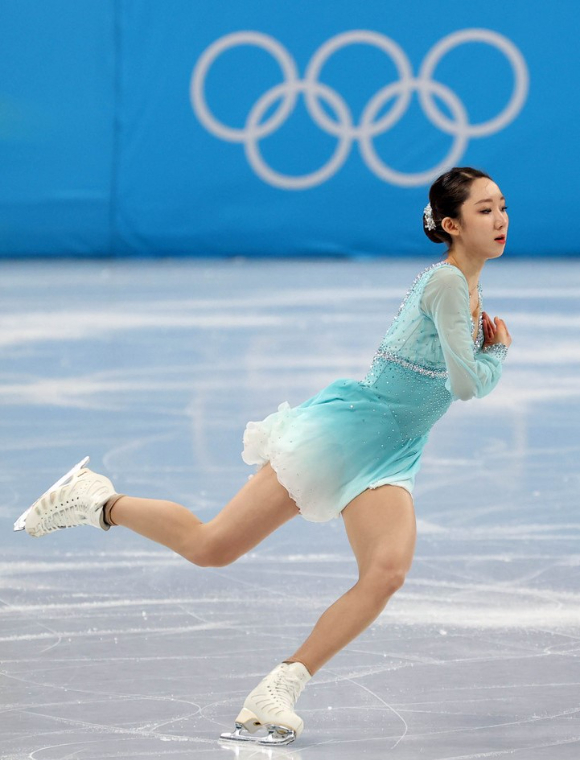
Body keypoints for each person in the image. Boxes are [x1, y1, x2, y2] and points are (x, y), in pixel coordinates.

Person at [14, 166, 511, 747]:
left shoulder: (468, 286)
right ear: (452, 224)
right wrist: (497, 354)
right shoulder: (448, 284)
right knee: (211, 547)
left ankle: (276, 691)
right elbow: (468, 384)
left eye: (501, 205)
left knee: (385, 573)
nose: (500, 219)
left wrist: (484, 352)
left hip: (393, 450)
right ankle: (98, 499)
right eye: (484, 210)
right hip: (346, 437)